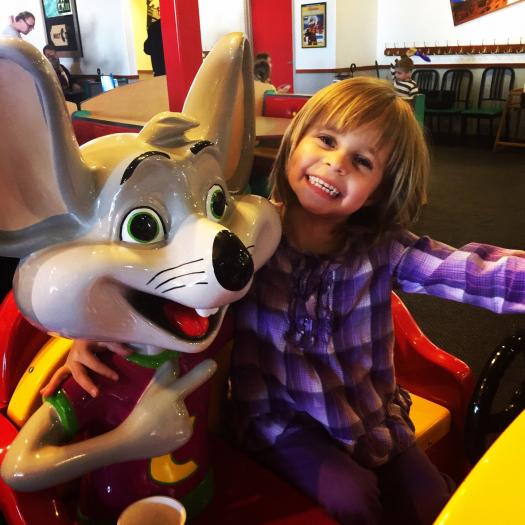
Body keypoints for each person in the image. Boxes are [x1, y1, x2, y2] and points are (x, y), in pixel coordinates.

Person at [43, 77, 525, 524]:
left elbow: (470, 271)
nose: (337, 163)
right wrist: (89, 332)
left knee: (432, 498)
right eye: (327, 140)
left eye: (363, 162)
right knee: (352, 497)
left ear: (379, 190)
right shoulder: (247, 238)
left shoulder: (383, 249)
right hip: (280, 422)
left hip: (370, 417)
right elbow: (157, 276)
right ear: (295, 142)